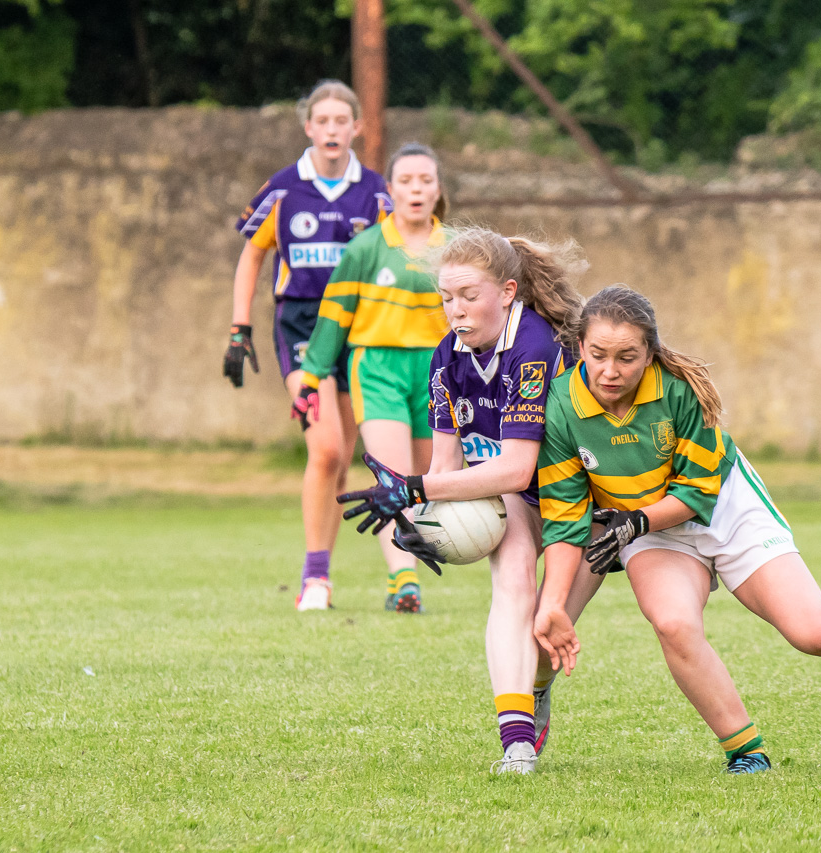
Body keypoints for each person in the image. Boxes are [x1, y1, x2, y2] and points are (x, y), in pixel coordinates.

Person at [532, 284, 821, 774]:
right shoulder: (560, 406)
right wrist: (553, 602)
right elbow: (566, 515)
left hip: (725, 511)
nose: (610, 371)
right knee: (674, 624)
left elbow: (697, 494)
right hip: (650, 531)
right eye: (598, 355)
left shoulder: (680, 391)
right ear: (580, 350)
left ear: (650, 353)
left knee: (815, 634)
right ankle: (746, 750)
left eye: (627, 357)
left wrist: (635, 521)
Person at [337, 226, 605, 774]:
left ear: (507, 292)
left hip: (589, 504)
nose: (454, 310)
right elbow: (445, 466)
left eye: (468, 296)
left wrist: (413, 489)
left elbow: (517, 465)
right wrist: (425, 520)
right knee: (511, 580)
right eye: (445, 298)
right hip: (519, 499)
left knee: (545, 628)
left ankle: (537, 685)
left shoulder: (533, 347)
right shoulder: (446, 359)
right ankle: (517, 744)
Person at [226, 79, 392, 611]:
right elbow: (252, 255)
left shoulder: (374, 193)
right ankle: (314, 578)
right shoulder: (282, 189)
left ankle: (325, 572)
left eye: (341, 121)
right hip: (300, 329)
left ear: (356, 129)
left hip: (358, 330)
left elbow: (398, 258)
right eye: (322, 121)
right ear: (308, 128)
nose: (331, 130)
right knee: (323, 449)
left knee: (342, 457)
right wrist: (239, 329)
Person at [294, 142, 448, 613]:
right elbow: (334, 317)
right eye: (406, 181)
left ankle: (409, 567)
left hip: (438, 372)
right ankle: (404, 579)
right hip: (377, 367)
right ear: (390, 191)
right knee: (392, 475)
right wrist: (310, 377)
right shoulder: (366, 248)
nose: (416, 190)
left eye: (425, 180)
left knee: (425, 484)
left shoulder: (458, 248)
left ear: (438, 190)